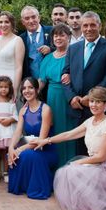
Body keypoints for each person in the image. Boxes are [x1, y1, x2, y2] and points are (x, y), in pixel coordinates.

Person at [62, 11, 106, 155]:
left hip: (99, 107)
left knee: (100, 151)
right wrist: (71, 97)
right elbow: (65, 75)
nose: (88, 29)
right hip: (78, 108)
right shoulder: (73, 48)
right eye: (85, 25)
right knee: (80, 151)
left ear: (100, 26)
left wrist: (92, 97)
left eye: (92, 25)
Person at [7, 77, 57, 199]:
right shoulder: (23, 110)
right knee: (14, 154)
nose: (27, 91)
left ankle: (37, 188)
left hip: (45, 149)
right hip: (30, 145)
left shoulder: (45, 110)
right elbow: (18, 132)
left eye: (30, 87)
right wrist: (11, 148)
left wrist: (20, 149)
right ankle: (23, 186)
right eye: (24, 88)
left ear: (37, 90)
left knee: (27, 154)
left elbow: (41, 140)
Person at [38, 23, 76, 167]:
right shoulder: (47, 58)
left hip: (69, 98)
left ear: (69, 37)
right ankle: (55, 169)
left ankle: (70, 168)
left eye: (62, 35)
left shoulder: (74, 55)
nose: (58, 38)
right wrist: (32, 94)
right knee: (54, 130)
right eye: (56, 35)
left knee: (69, 132)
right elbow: (41, 81)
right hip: (52, 98)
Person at [0, 11, 24, 94]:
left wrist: (15, 89)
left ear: (12, 23)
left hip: (9, 80)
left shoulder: (18, 40)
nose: (3, 25)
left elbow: (19, 67)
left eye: (6, 22)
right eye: (0, 22)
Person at [19, 5, 51, 80]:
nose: (31, 21)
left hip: (50, 81)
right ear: (23, 22)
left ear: (39, 18)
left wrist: (50, 49)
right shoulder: (20, 39)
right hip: (30, 83)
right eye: (27, 18)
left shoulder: (51, 31)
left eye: (33, 17)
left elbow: (64, 50)